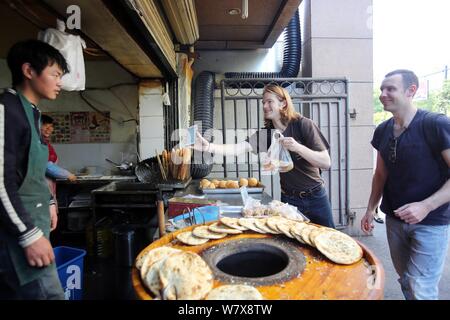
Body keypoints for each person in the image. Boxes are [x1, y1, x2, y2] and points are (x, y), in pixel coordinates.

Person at [361, 69, 450, 300]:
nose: (383, 94)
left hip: (432, 222)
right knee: (406, 280)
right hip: (394, 220)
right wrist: (371, 209)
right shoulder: (382, 130)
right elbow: (380, 174)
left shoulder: (435, 124)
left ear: (411, 91)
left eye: (391, 89)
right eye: (382, 89)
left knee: (420, 285)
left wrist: (426, 206)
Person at [195, 84, 334, 227]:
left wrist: (297, 147)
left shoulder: (303, 125)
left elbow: (325, 162)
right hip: (290, 200)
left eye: (269, 101)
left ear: (283, 103)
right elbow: (238, 148)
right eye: (263, 102)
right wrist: (209, 146)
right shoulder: (266, 135)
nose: (265, 106)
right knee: (294, 244)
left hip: (316, 196)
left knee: (331, 241)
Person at [0, 40, 69, 299]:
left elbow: (32, 170)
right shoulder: (6, 109)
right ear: (29, 71)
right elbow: (0, 182)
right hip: (18, 231)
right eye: (55, 74)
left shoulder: (31, 111)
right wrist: (28, 235)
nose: (60, 83)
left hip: (32, 221)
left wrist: (49, 201)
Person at [41, 114, 77, 197]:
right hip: (42, 187)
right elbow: (45, 165)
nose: (49, 129)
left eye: (51, 126)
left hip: (49, 184)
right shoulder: (38, 143)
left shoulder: (46, 143)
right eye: (45, 126)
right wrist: (67, 174)